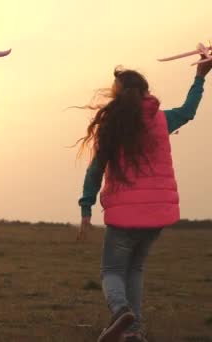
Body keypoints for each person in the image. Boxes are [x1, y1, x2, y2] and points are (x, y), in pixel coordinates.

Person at [76, 56, 212, 342]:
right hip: (157, 216)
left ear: (119, 94)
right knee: (135, 269)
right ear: (145, 92)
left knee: (112, 270)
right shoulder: (162, 120)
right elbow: (188, 111)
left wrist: (86, 206)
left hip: (124, 216)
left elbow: (95, 169)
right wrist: (200, 76)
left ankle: (120, 311)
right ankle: (134, 331)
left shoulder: (112, 126)